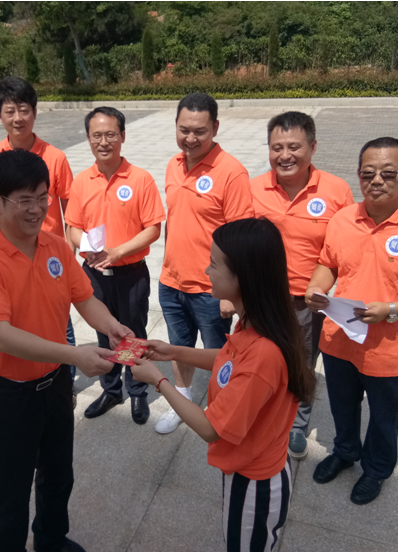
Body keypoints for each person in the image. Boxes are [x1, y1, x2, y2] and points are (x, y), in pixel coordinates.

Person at [0, 149, 133, 552]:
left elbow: (84, 298)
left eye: (42, 197)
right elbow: (2, 336)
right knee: (10, 489)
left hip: (53, 385)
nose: (37, 209)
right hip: (7, 394)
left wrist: (111, 326)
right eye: (25, 200)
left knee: (58, 474)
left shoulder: (55, 246)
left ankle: (51, 540)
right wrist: (75, 355)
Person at [132, 218, 316, 552]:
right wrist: (173, 351)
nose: (206, 270)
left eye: (214, 264)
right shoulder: (257, 322)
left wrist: (158, 380)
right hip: (250, 463)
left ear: (242, 276)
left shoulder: (263, 353)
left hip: (256, 484)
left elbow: (210, 428)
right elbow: (229, 359)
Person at [306, 137, 398, 505]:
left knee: (384, 415)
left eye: (388, 174)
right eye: (367, 173)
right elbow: (328, 263)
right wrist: (316, 286)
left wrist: (391, 309)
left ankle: (376, 468)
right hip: (339, 338)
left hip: (389, 349)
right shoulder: (343, 219)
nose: (376, 181)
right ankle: (345, 451)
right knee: (342, 405)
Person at [251, 111, 354, 460]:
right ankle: (264, 412)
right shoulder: (253, 189)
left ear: (312, 147)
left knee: (302, 364)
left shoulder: (336, 191)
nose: (285, 155)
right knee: (262, 360)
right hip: (263, 299)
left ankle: (296, 423)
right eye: (276, 147)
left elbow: (344, 248)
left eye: (294, 147)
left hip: (308, 302)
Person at [155, 92, 254, 435]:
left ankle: (220, 409)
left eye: (199, 131)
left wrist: (231, 294)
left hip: (212, 291)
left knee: (219, 355)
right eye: (184, 130)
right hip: (171, 282)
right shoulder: (173, 164)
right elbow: (174, 222)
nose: (190, 138)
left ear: (215, 127)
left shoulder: (232, 172)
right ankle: (181, 403)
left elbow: (240, 240)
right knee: (179, 350)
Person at [0, 76, 78, 400]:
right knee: (15, 320)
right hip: (7, 259)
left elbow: (70, 211)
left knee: (59, 323)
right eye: (10, 111)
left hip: (49, 258)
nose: (17, 118)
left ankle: (65, 382)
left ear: (35, 112)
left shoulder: (55, 157)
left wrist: (69, 251)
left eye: (24, 110)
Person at [65, 106, 165, 424]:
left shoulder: (140, 179)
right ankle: (110, 389)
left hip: (130, 273)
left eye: (110, 134)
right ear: (88, 138)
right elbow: (72, 227)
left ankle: (137, 390)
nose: (104, 141)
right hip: (94, 273)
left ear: (122, 136)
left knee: (131, 332)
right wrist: (87, 248)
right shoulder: (82, 181)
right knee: (103, 331)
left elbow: (153, 228)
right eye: (97, 135)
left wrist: (119, 251)